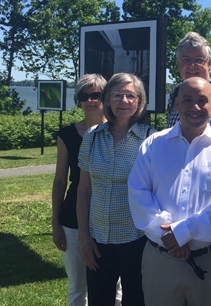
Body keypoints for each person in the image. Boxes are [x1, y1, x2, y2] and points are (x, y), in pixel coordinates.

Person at [128, 77, 211, 306]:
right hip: (160, 262)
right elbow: (138, 193)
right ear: (176, 104)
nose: (195, 107)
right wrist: (170, 237)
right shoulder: (153, 145)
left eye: (203, 100)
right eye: (188, 100)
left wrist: (181, 233)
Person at [77, 73, 156, 306]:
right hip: (98, 240)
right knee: (99, 301)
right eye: (118, 95)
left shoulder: (150, 139)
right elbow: (84, 190)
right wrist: (85, 239)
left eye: (131, 95)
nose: (124, 101)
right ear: (107, 100)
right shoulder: (92, 137)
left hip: (137, 240)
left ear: (139, 101)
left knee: (136, 301)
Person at [52, 74, 108, 306]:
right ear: (78, 100)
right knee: (77, 287)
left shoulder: (119, 133)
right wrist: (55, 223)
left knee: (114, 287)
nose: (90, 100)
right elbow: (59, 180)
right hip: (72, 219)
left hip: (109, 217)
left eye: (96, 95)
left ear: (106, 97)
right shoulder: (66, 135)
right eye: (84, 96)